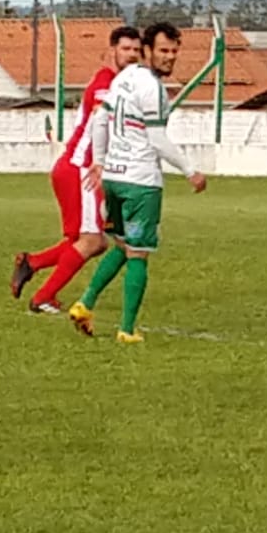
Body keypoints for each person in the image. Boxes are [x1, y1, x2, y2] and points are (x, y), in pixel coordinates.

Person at [68, 22, 207, 343]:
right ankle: (127, 330)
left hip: (115, 178)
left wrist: (101, 161)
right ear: (147, 50)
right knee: (139, 253)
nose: (169, 57)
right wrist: (190, 170)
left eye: (174, 51)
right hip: (141, 181)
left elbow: (100, 119)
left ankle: (85, 304)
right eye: (163, 51)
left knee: (120, 243)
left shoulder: (123, 78)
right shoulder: (152, 89)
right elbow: (157, 139)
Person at [10, 25, 142, 313]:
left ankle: (31, 263)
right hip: (81, 170)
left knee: (83, 241)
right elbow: (101, 120)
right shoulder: (106, 83)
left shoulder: (119, 84)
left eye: (136, 50)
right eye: (125, 49)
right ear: (111, 52)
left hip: (77, 169)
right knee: (93, 241)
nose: (132, 55)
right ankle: (43, 296)